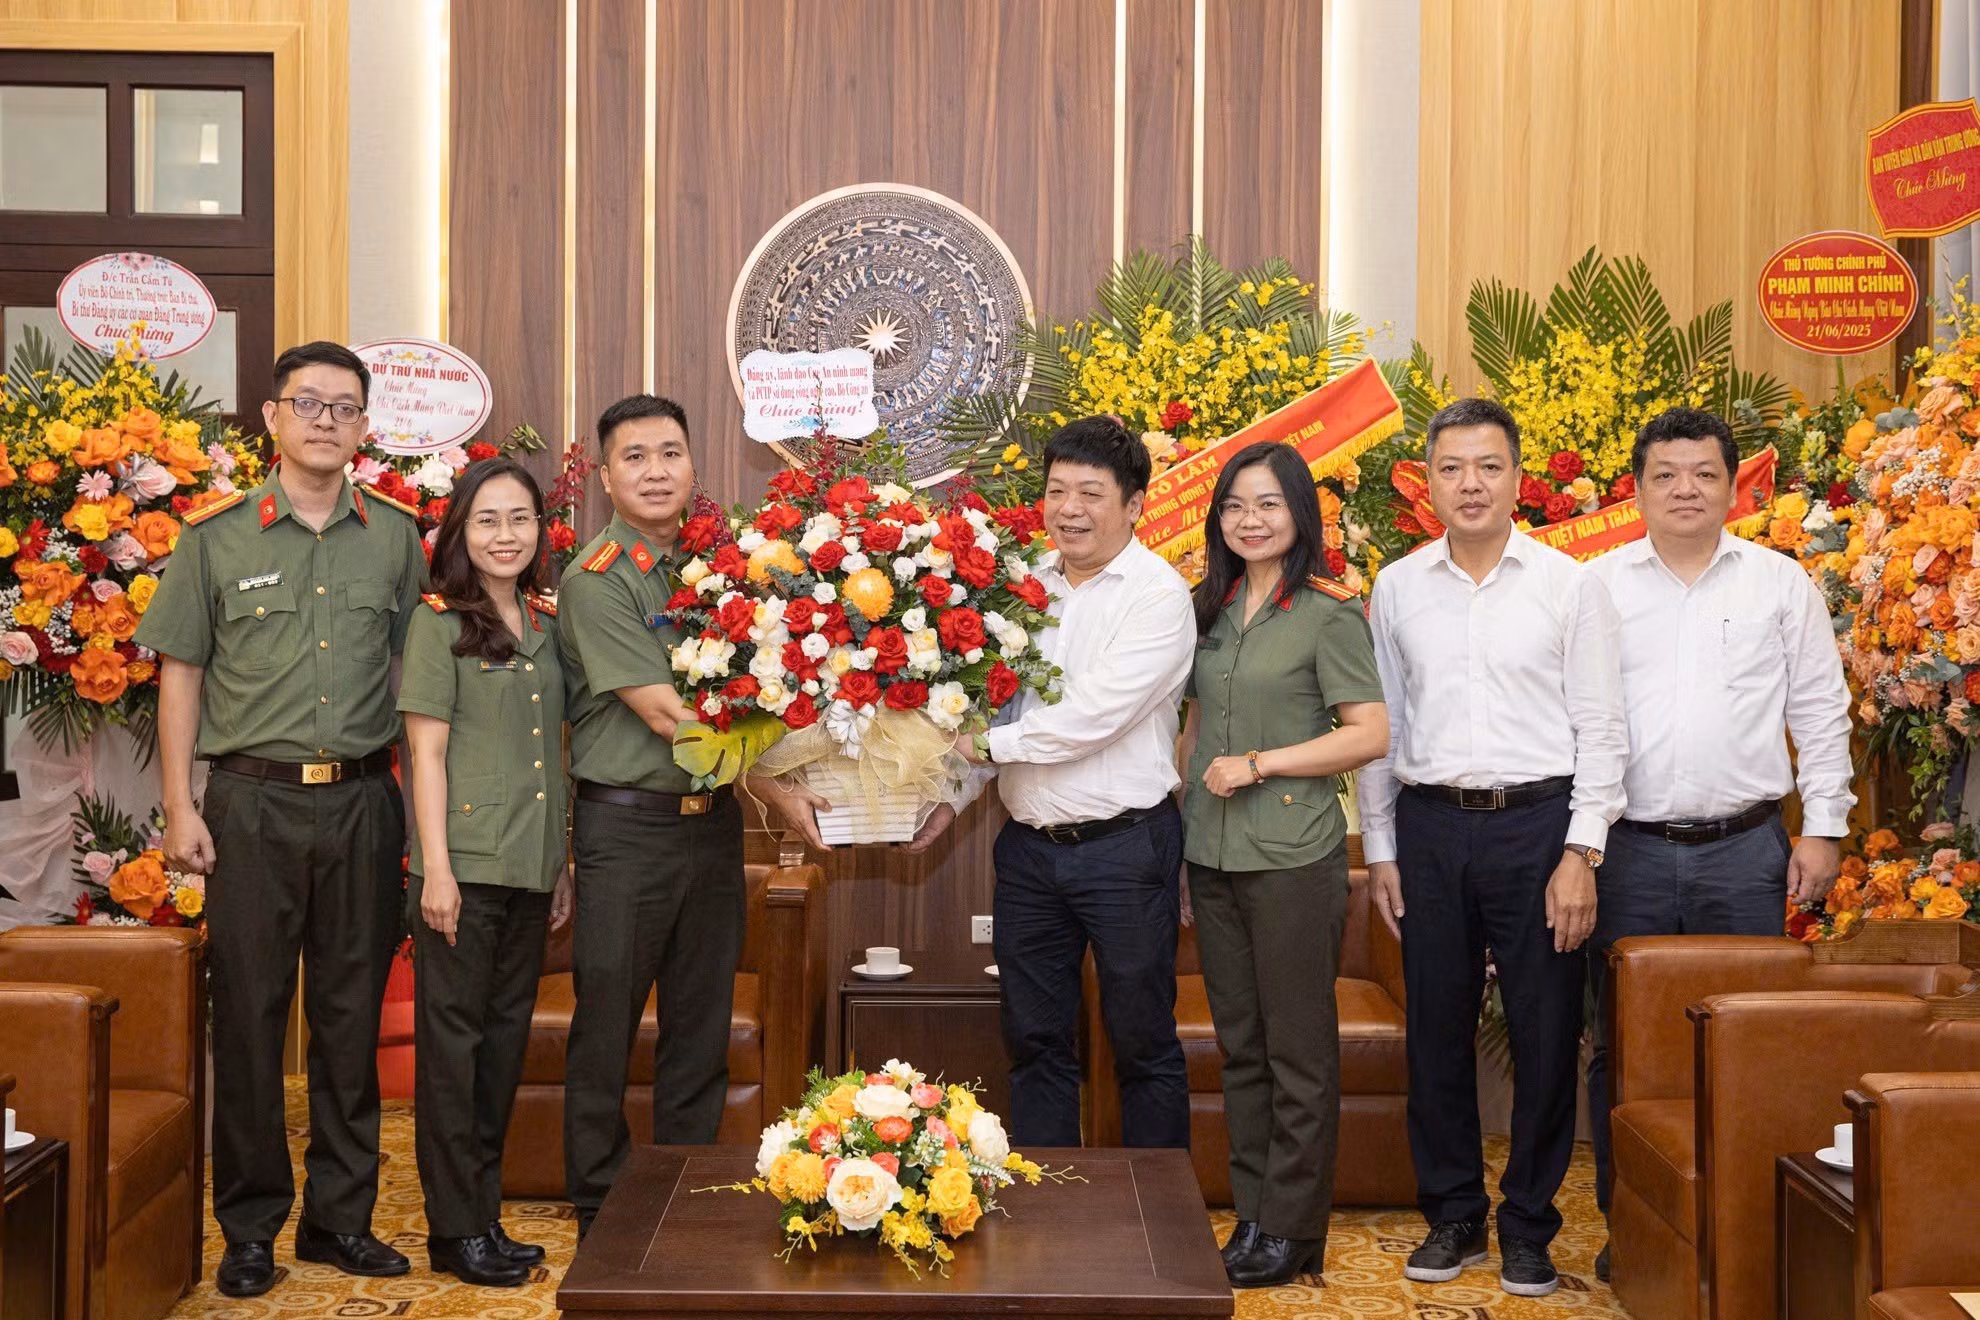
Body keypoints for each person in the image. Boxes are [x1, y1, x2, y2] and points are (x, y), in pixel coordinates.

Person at [137, 342, 426, 1298]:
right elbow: (180, 674)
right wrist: (181, 803)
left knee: (349, 1023)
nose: (326, 421)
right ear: (271, 418)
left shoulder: (394, 535)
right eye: (308, 403)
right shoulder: (214, 538)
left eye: (346, 408)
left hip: (361, 803)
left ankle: (339, 1222)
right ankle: (252, 1226)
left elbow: (407, 675)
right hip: (250, 806)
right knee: (253, 1022)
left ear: (363, 426)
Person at [1356, 397, 1626, 1299]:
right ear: (1425, 481)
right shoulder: (1395, 587)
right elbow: (1379, 728)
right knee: (1434, 1030)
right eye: (1451, 468)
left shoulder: (1568, 584)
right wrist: (1383, 846)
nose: (1470, 484)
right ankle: (1454, 1217)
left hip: (1538, 828)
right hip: (1429, 827)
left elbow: (1602, 726)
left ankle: (1528, 1227)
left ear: (1518, 477)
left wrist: (1580, 852)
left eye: (1489, 466)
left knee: (1547, 1033)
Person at [1582, 405, 1853, 1281]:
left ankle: (1740, 1233)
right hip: (1624, 850)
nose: (1686, 489)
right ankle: (1632, 1225)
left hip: (1745, 850)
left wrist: (1823, 828)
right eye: (1666, 474)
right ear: (1638, 489)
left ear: (1734, 487)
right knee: (1624, 1044)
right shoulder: (1597, 587)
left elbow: (1820, 713)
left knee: (1747, 1042)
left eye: (1704, 473)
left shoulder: (1780, 585)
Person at [558, 394, 822, 1237]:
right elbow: (673, 716)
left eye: (670, 453)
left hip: (710, 825)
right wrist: (783, 789)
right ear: (606, 477)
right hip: (625, 828)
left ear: (693, 465)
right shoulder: (596, 581)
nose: (656, 470)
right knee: (607, 1019)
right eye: (635, 457)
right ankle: (602, 1199)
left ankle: (683, 1183)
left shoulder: (717, 568)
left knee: (700, 1019)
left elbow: (758, 690)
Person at [914, 415, 1195, 1151]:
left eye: (1092, 493)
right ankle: (1047, 1217)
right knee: (1035, 1041)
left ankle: (1153, 1230)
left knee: (1141, 1043)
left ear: (1134, 504)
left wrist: (977, 740)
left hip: (1125, 853)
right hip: (1030, 855)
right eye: (1057, 490)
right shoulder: (1022, 590)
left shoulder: (1159, 597)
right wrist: (951, 796)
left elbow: (1092, 719)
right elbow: (996, 704)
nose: (1069, 508)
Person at [1175, 441, 1389, 1288]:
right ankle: (1255, 1217)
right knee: (1242, 1051)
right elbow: (1194, 734)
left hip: (1294, 856)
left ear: (1300, 512)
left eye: (1267, 504)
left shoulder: (1328, 611)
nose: (1250, 520)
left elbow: (1368, 734)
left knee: (1298, 1052)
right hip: (1214, 856)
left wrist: (1261, 764)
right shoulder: (1212, 609)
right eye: (1234, 506)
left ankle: (1295, 1230)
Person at [400, 458, 574, 1286]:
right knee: (454, 1054)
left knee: (502, 1051)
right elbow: (425, 755)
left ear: (540, 530)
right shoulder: (439, 623)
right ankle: (454, 1229)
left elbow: (556, 755)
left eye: (521, 519)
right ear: (460, 533)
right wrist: (435, 869)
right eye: (487, 521)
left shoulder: (544, 619)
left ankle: (485, 1217)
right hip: (462, 871)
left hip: (530, 866)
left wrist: (562, 861)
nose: (506, 535)